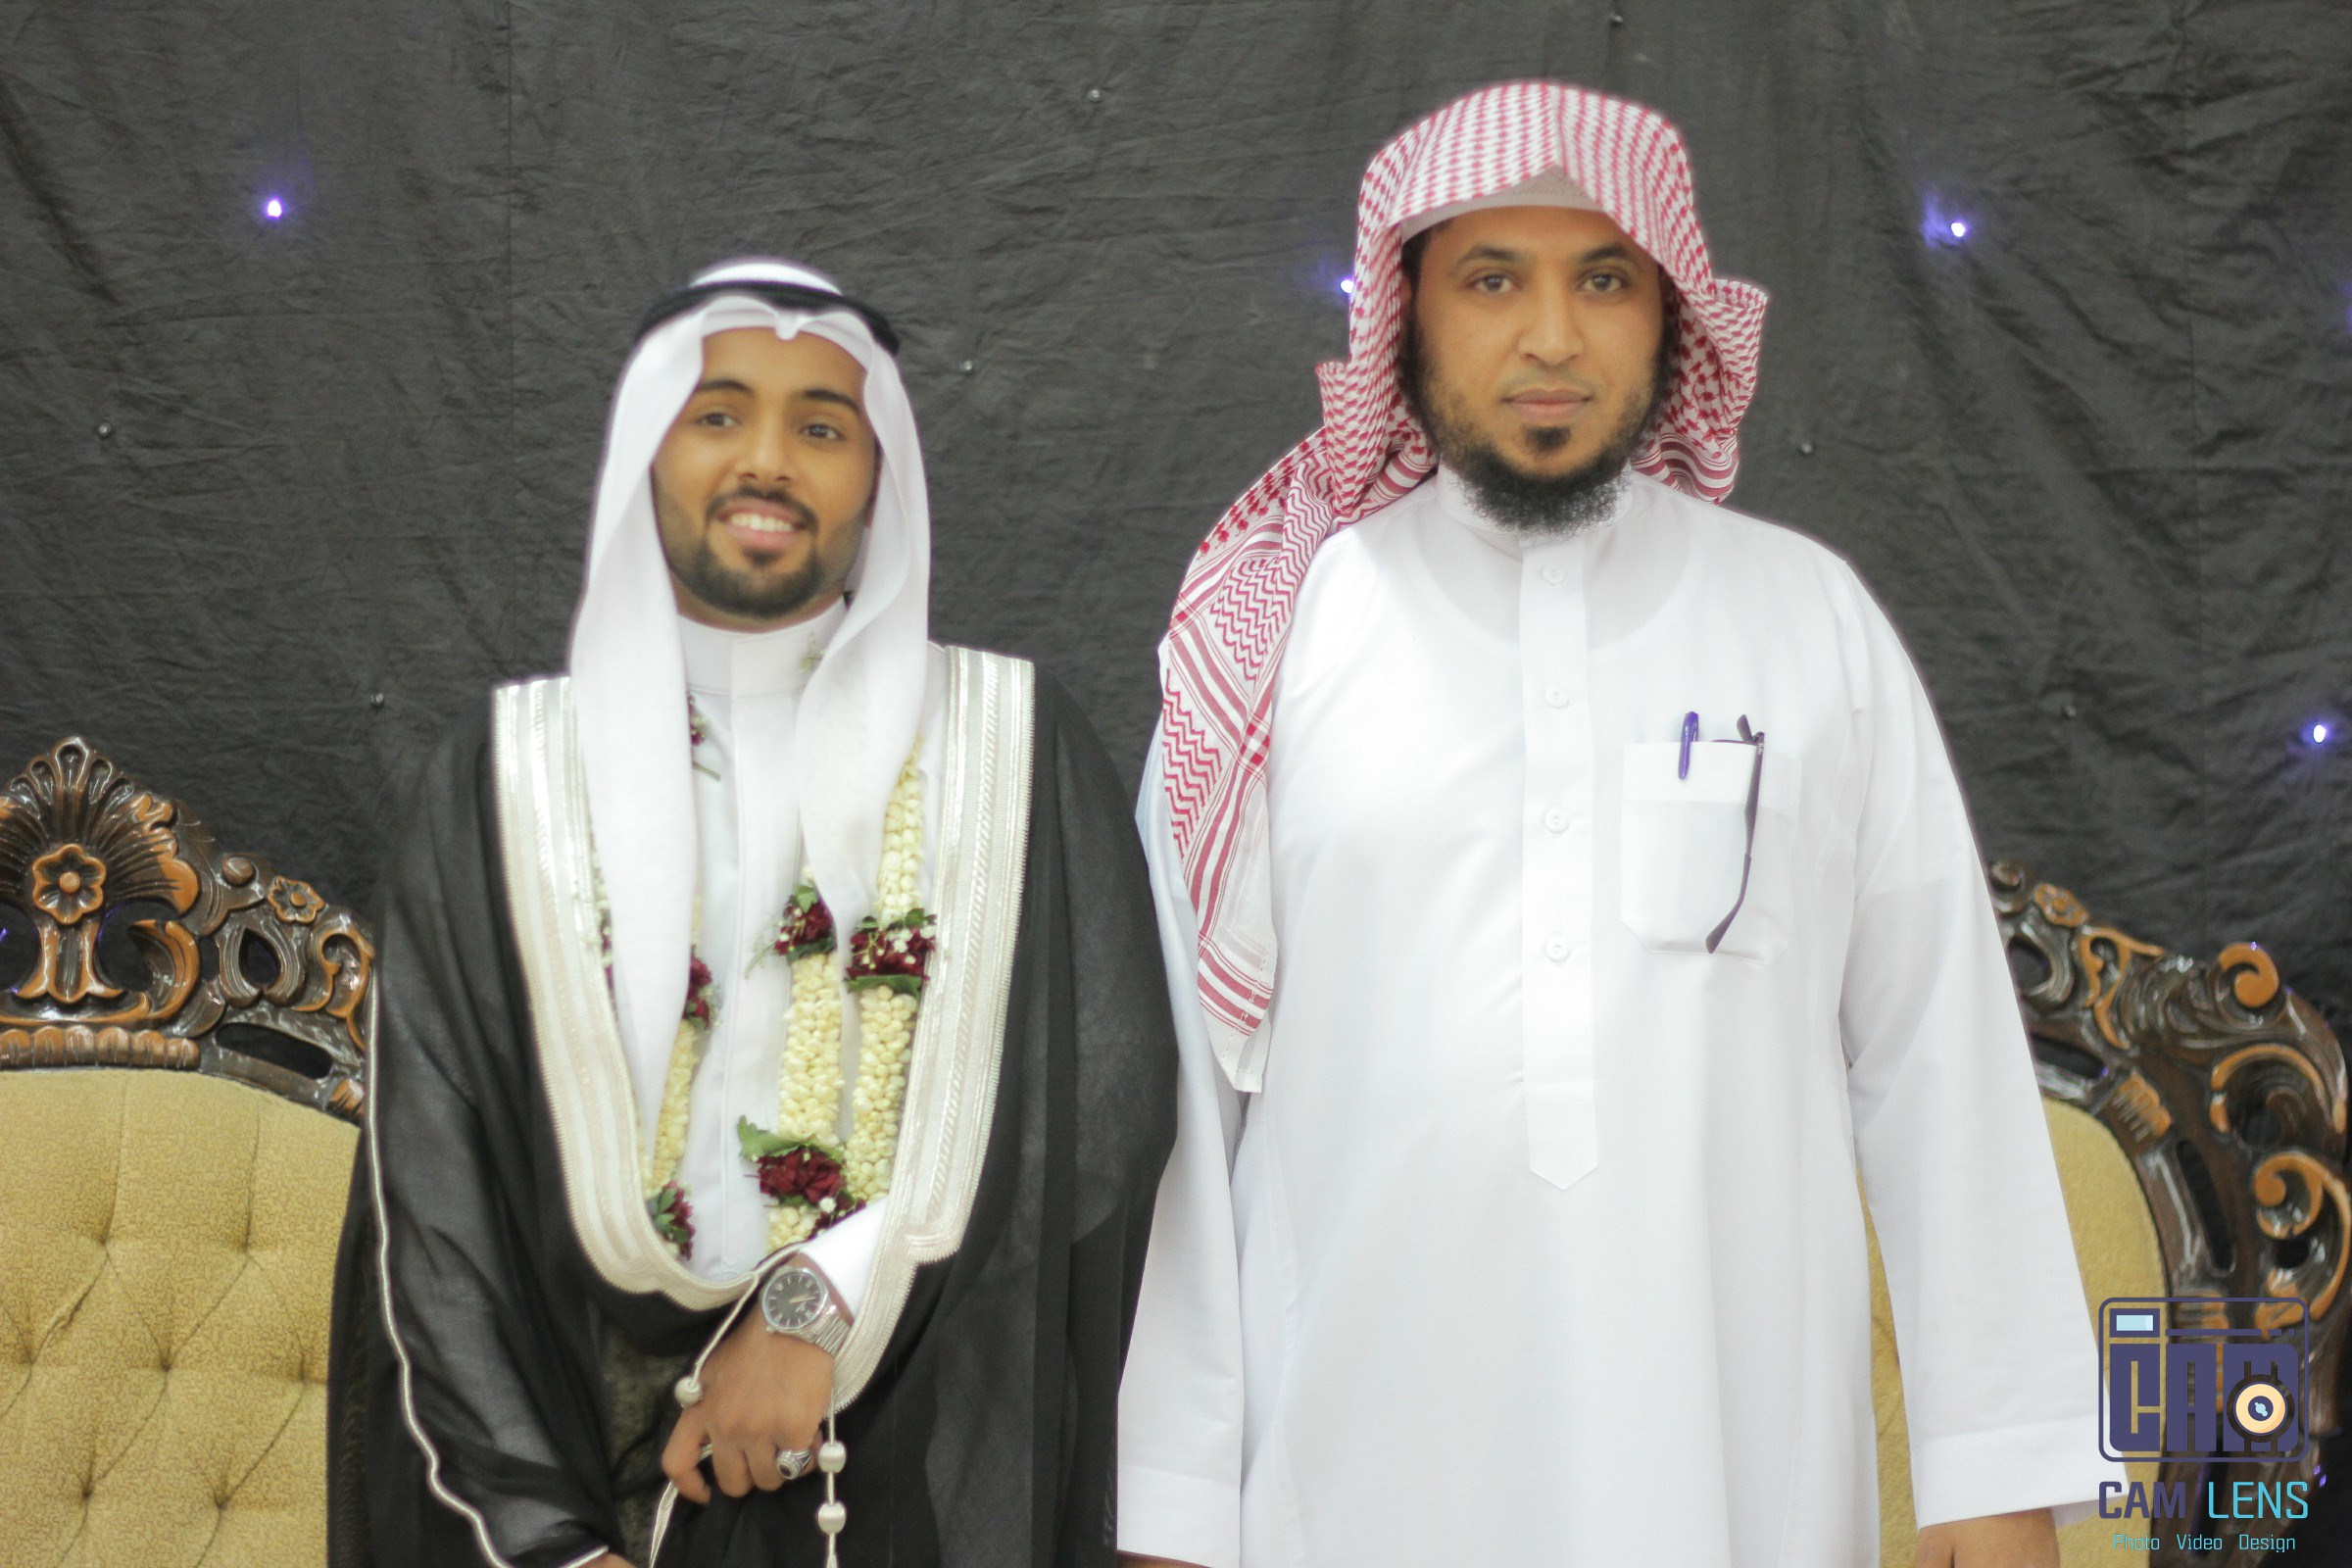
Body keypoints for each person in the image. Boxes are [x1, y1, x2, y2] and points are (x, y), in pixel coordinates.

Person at [1117, 83, 2113, 1568]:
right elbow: (1183, 1114)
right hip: (1354, 1467)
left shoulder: (1808, 620)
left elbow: (1938, 1056)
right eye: (1491, 280)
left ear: (1671, 317)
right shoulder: (1270, 641)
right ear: (1404, 315)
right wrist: (1173, 1501)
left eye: (1603, 280)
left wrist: (1995, 1467)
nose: (1550, 338)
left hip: (1733, 1466)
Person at [329, 258, 1175, 1568]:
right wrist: (551, 1549)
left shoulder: (1009, 747)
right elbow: (432, 1212)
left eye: (822, 426)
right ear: (647, 451)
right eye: (718, 414)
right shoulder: (505, 780)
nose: (767, 460)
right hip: (573, 1472)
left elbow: (1102, 1104)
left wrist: (819, 1300)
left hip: (906, 1466)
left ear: (879, 477)